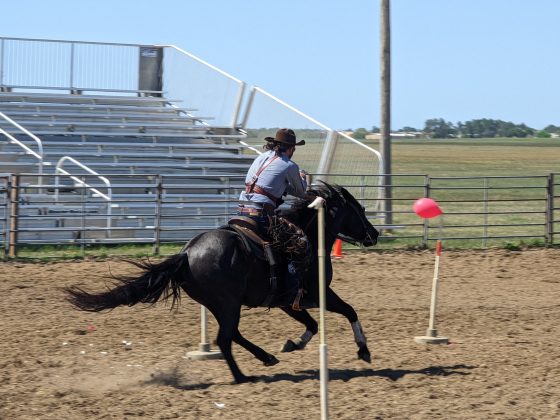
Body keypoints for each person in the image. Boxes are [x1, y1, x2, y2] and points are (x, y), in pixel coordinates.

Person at [238, 128, 312, 310]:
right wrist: (304, 178)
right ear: (291, 148)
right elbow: (301, 192)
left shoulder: (260, 158)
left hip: (243, 211)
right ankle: (292, 293)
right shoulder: (290, 165)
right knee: (300, 242)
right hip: (263, 214)